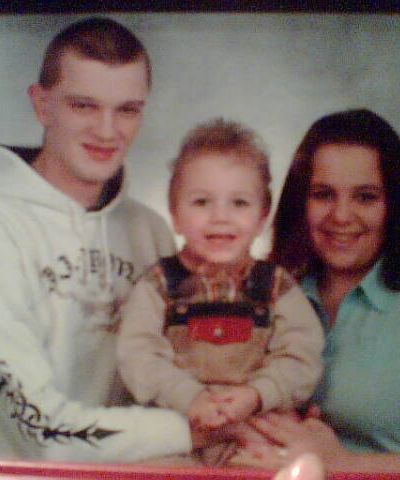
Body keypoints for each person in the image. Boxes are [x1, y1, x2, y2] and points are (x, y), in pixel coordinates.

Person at [0, 16, 211, 464]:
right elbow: (39, 434)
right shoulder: (6, 224)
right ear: (42, 105)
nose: (106, 130)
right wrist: (195, 429)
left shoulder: (150, 232)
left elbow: (185, 374)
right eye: (84, 106)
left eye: (127, 110)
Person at [117, 118, 324, 466]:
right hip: (178, 430)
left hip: (253, 429)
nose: (220, 217)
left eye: (239, 203)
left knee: (288, 466)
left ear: (262, 218)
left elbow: (301, 357)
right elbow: (139, 357)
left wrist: (257, 394)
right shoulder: (158, 286)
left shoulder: (276, 287)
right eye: (201, 202)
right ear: (175, 215)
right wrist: (189, 397)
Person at [237, 109, 400, 472]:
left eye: (366, 197)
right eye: (323, 194)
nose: (341, 216)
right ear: (300, 203)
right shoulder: (262, 294)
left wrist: (344, 464)